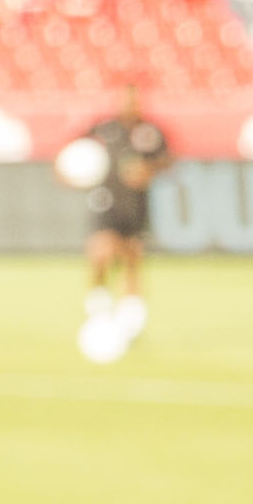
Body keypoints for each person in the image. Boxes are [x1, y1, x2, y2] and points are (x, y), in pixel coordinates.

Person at [75, 77, 174, 359]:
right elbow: (74, 152)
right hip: (106, 203)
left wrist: (149, 169)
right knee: (100, 254)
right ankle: (98, 311)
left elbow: (168, 159)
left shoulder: (150, 132)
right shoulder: (104, 129)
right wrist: (70, 171)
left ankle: (130, 322)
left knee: (132, 259)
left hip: (136, 207)